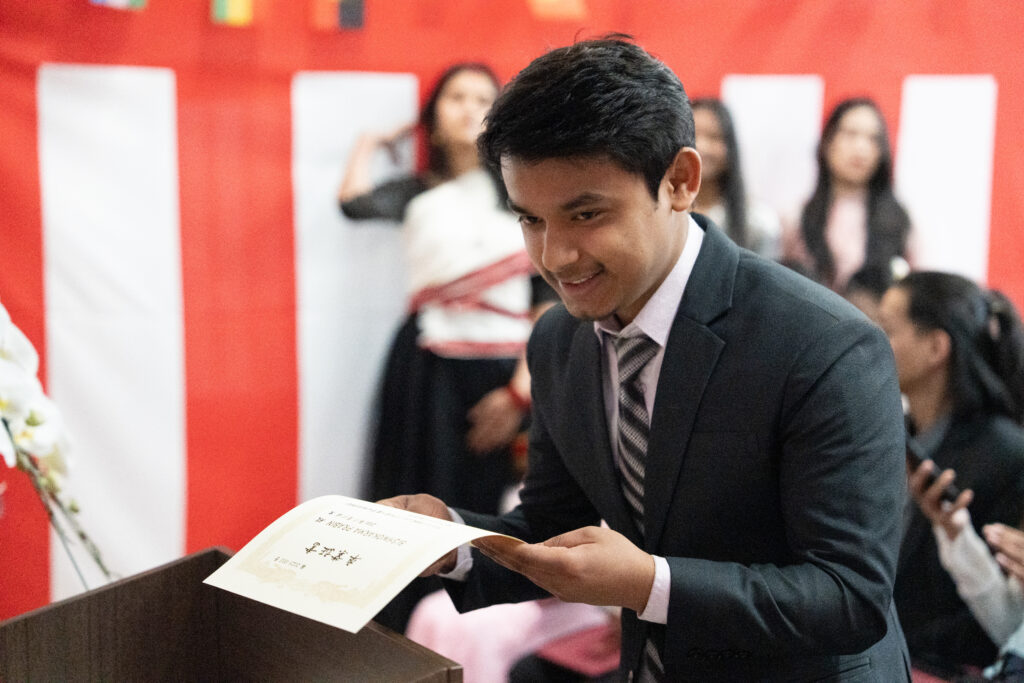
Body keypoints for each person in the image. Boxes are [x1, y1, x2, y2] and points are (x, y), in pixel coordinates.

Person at [381, 37, 911, 681]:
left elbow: (850, 597)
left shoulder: (823, 343)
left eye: (586, 214)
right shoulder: (559, 341)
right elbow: (553, 526)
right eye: (530, 220)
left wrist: (647, 583)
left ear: (680, 181)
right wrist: (451, 540)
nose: (555, 256)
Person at [338, 62, 556, 633]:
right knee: (412, 500)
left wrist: (518, 394)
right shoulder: (417, 191)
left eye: (483, 98)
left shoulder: (524, 195)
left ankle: (476, 640)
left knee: (491, 504)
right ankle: (399, 634)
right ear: (433, 118)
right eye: (455, 97)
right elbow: (352, 201)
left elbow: (545, 300)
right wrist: (372, 142)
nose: (469, 108)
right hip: (427, 368)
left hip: (506, 370)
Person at [878, 271, 1024, 676]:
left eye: (887, 329)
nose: (872, 340)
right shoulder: (895, 434)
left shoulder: (1005, 454)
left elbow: (1001, 629)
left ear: (936, 347)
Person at [780, 97, 913, 294]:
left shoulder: (901, 221)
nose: (861, 148)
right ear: (828, 142)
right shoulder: (796, 218)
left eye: (873, 138)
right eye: (851, 134)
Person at [690, 97, 781, 259]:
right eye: (693, 136)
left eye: (713, 137)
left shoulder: (758, 222)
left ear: (730, 146)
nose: (701, 147)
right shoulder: (660, 213)